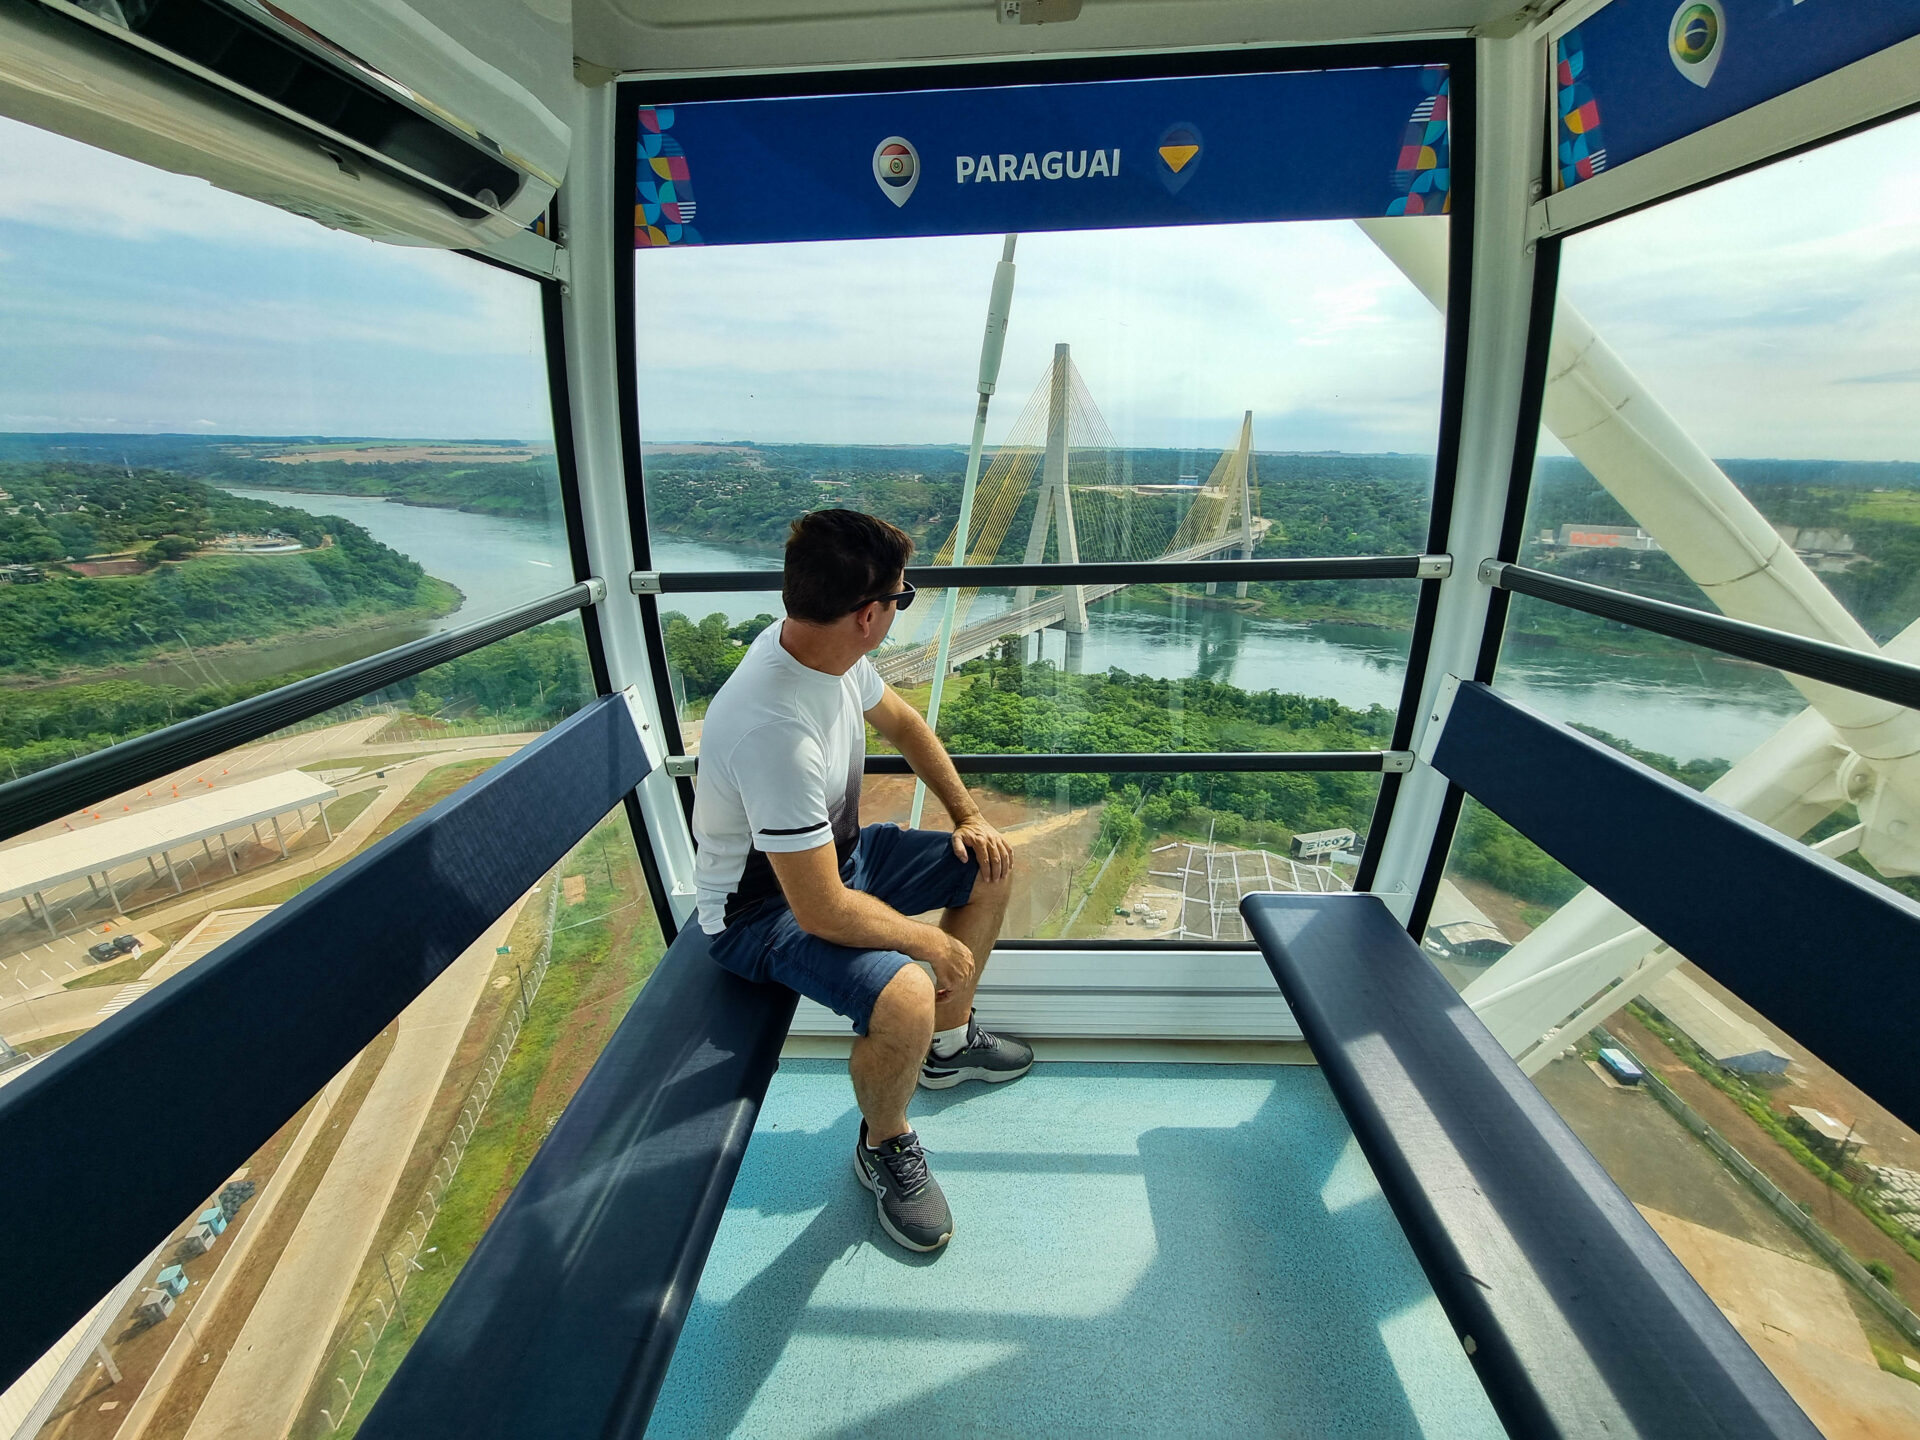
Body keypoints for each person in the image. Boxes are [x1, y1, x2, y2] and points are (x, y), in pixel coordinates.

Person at [694, 508, 1034, 1254]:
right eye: (903, 599)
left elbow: (907, 725)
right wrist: (928, 946)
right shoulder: (773, 726)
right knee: (909, 987)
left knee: (990, 862)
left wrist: (968, 816)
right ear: (869, 614)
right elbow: (818, 909)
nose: (902, 608)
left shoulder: (828, 653)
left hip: (837, 861)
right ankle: (885, 1142)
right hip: (759, 911)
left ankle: (945, 1049)